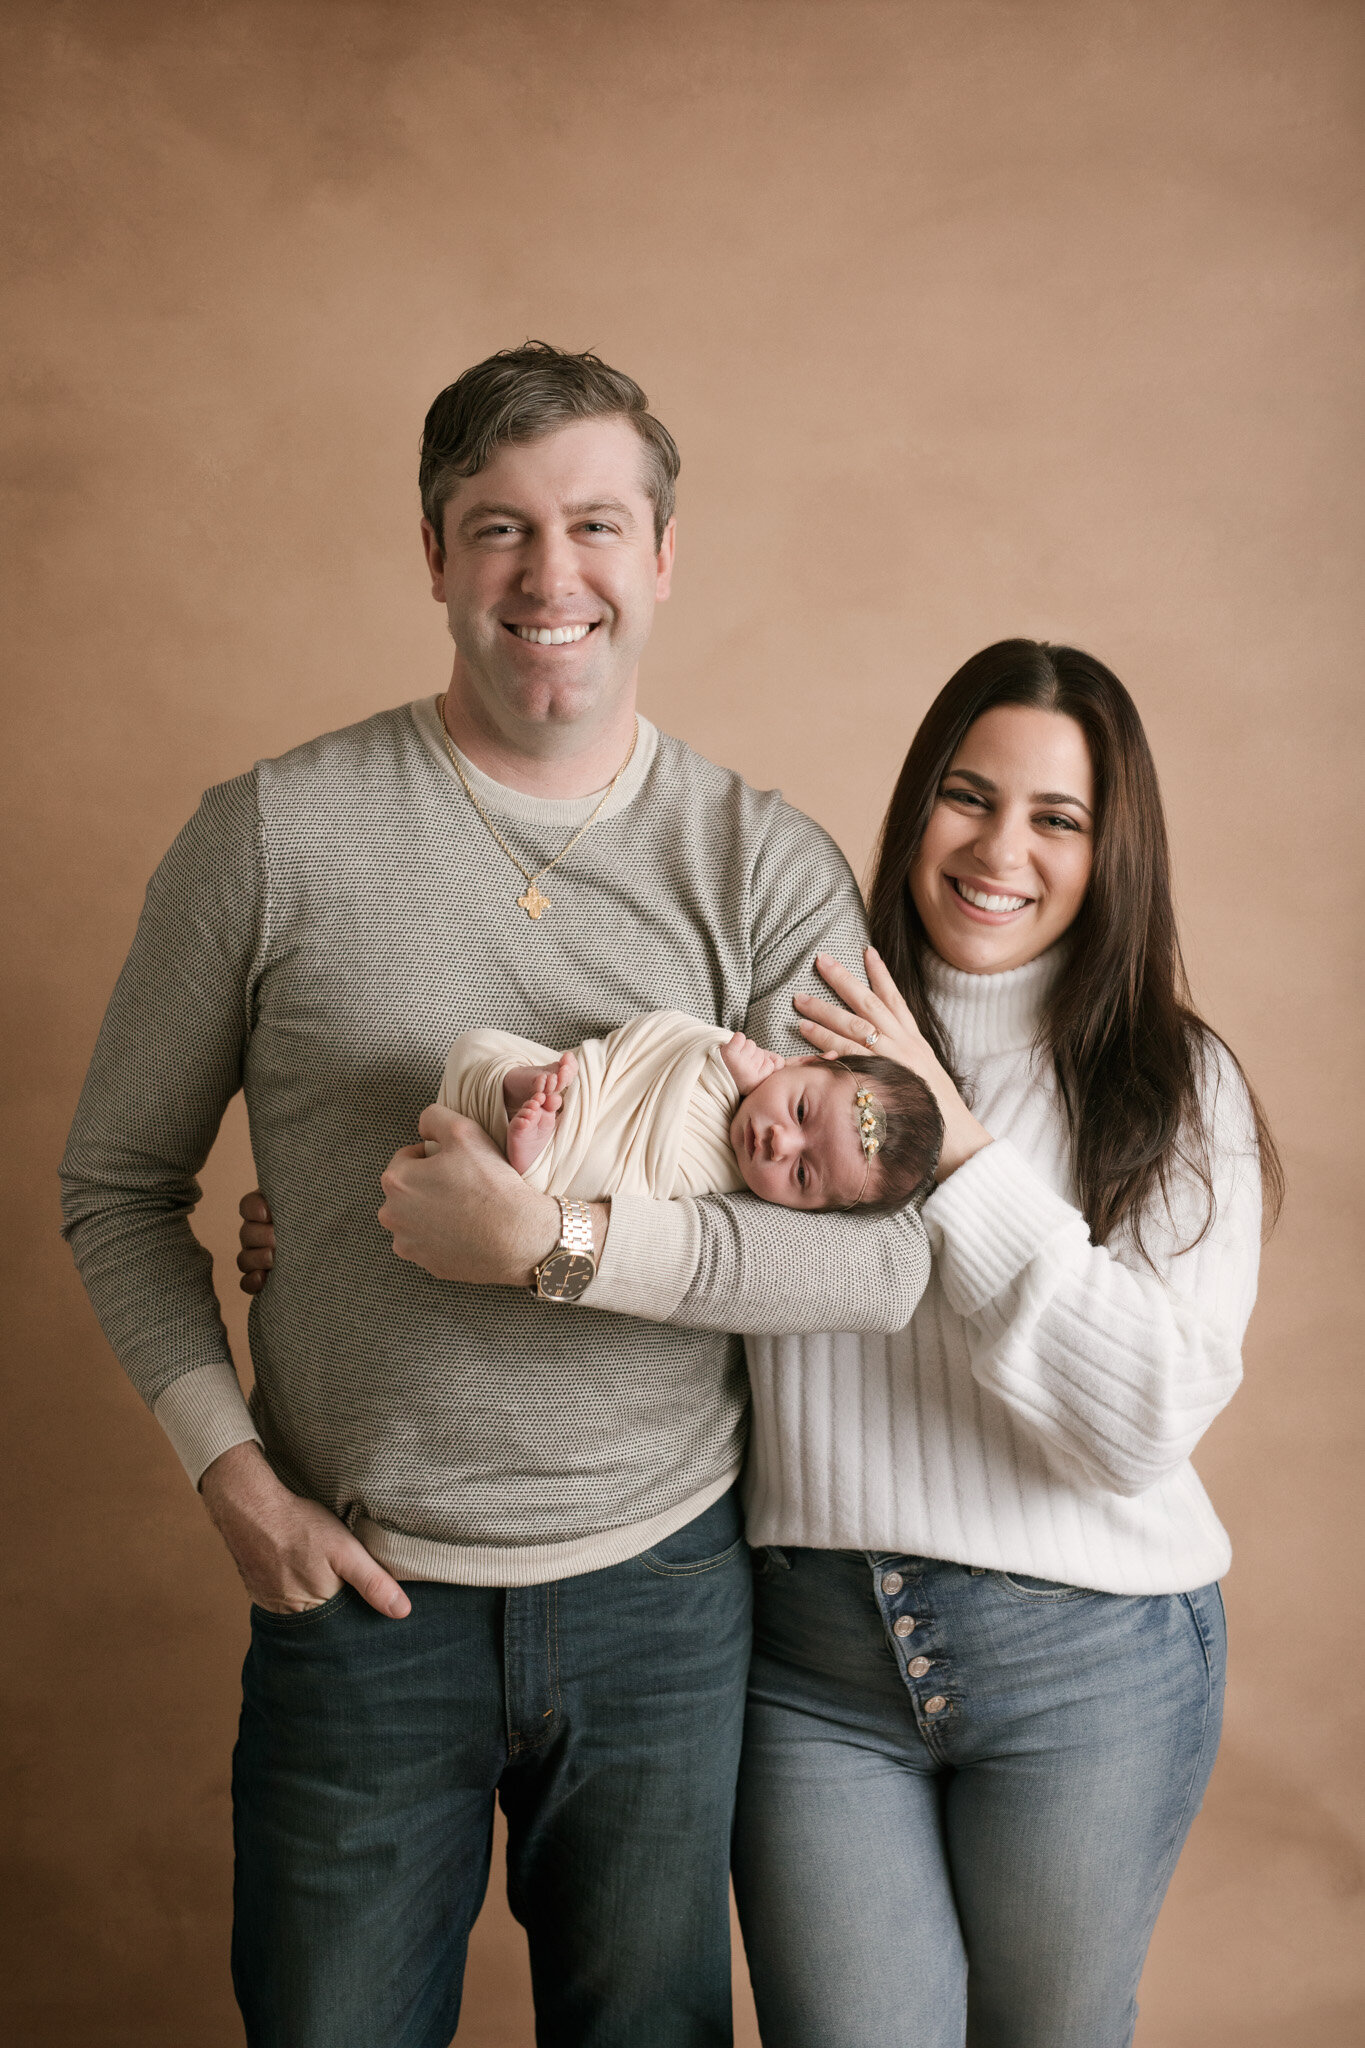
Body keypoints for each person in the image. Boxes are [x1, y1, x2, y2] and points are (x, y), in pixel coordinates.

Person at [60, 342, 931, 2048]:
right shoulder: (273, 835)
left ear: (662, 557)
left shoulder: (760, 863)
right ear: (435, 553)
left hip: (666, 1598)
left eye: (597, 525)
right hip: (356, 1595)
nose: (554, 576)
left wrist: (562, 1245)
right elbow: (113, 1184)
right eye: (502, 527)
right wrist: (226, 1470)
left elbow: (873, 1265)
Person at [728, 640, 1282, 2048]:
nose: (998, 850)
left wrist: (958, 1157)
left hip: (1088, 1667)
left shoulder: (1173, 1083)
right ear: (917, 805)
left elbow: (1142, 1421)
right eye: (967, 798)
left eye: (1057, 819)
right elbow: (607, 1184)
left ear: (1112, 854)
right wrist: (318, 1231)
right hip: (810, 1665)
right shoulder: (789, 1029)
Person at [439, 1008, 943, 1208]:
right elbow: (661, 1035)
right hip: (598, 1088)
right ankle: (523, 1090)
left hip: (619, 1164)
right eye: (802, 1111)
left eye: (804, 1175)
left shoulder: (722, 1178)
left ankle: (542, 1156)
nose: (780, 1142)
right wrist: (720, 1064)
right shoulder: (731, 1052)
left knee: (606, 1182)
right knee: (474, 1048)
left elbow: (640, 1185)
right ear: (806, 1060)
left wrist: (722, 1074)